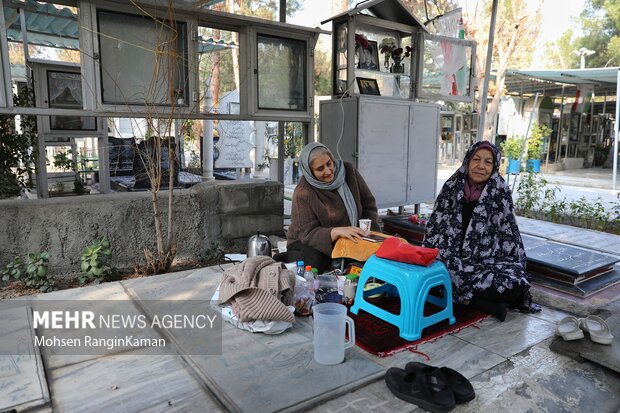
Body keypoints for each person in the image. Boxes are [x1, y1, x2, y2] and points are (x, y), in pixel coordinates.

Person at [424, 141, 540, 321]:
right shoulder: (452, 188)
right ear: (467, 161)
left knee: (515, 282)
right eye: (476, 159)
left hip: (487, 261)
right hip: (450, 256)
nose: (480, 166)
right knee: (437, 272)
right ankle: (482, 303)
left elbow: (509, 235)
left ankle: (462, 296)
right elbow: (435, 229)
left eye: (487, 162)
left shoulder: (500, 191)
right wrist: (450, 257)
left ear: (494, 166)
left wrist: (481, 259)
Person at [285, 142, 380, 272]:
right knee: (315, 262)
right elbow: (308, 233)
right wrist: (336, 232)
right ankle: (283, 259)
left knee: (376, 257)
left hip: (349, 237)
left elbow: (368, 205)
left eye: (329, 163)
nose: (328, 171)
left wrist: (370, 233)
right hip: (307, 241)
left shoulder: (348, 171)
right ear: (309, 172)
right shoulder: (303, 192)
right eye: (320, 169)